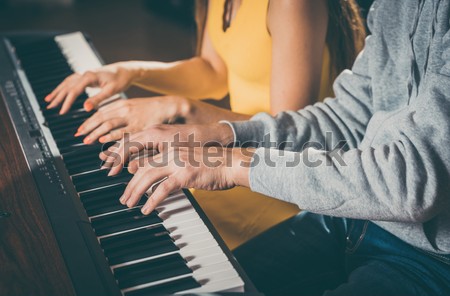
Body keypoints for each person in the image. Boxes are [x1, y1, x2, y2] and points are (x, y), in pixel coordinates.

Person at [100, 0, 450, 296]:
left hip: (432, 259)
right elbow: (348, 117)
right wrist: (222, 135)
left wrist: (230, 163)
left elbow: (410, 185)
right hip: (360, 215)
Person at [44, 0, 366, 248]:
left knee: (153, 228)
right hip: (231, 150)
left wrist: (178, 107)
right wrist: (131, 71)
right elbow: (214, 71)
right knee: (135, 192)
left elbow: (289, 133)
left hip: (278, 178)